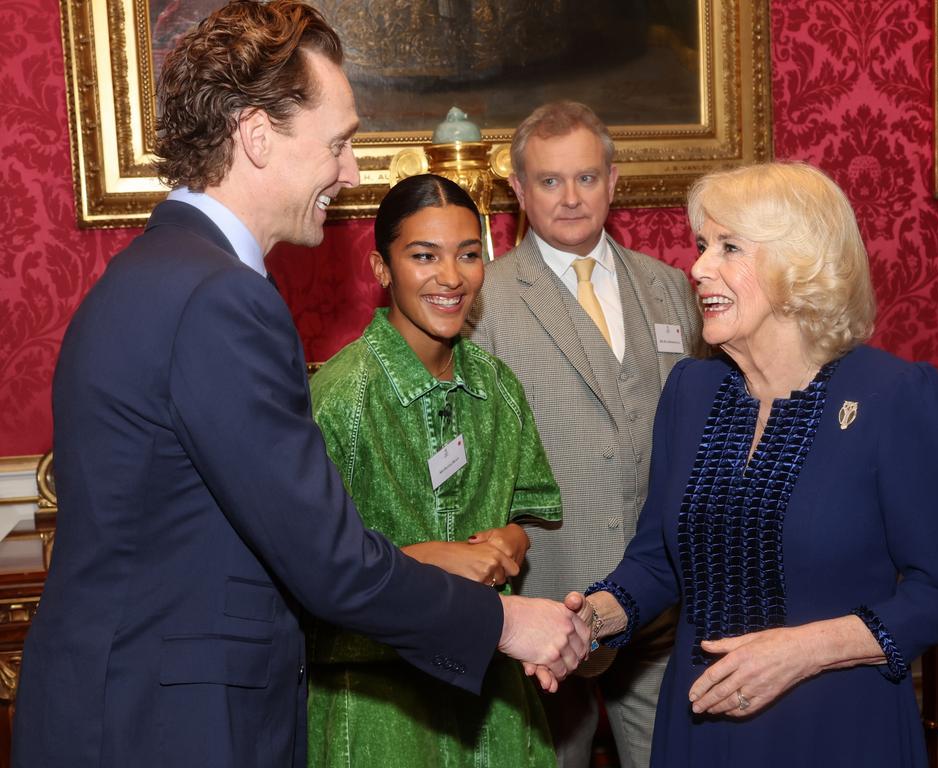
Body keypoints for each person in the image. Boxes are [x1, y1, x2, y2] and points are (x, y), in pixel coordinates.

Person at [11, 4, 588, 767]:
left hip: (121, 704)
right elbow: (330, 563)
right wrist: (506, 623)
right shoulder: (221, 299)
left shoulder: (150, 273)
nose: (351, 173)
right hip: (171, 727)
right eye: (340, 143)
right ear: (257, 136)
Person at [572, 161, 938, 767]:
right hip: (702, 724)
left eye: (728, 247)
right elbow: (658, 558)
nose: (698, 268)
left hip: (838, 728)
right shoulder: (691, 390)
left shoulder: (894, 396)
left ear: (801, 265)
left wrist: (804, 650)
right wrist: (594, 619)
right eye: (703, 245)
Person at [467, 101, 701, 768]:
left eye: (587, 178)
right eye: (549, 181)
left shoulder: (671, 290)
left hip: (661, 612)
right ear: (518, 189)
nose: (571, 198)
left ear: (613, 180)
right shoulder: (484, 301)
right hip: (546, 613)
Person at [306, 173, 559, 768]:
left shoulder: (495, 385)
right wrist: (430, 557)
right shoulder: (341, 398)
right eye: (424, 256)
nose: (451, 277)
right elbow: (310, 574)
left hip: (493, 706)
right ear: (381, 268)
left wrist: (510, 540)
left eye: (468, 255)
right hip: (377, 714)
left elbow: (529, 505)